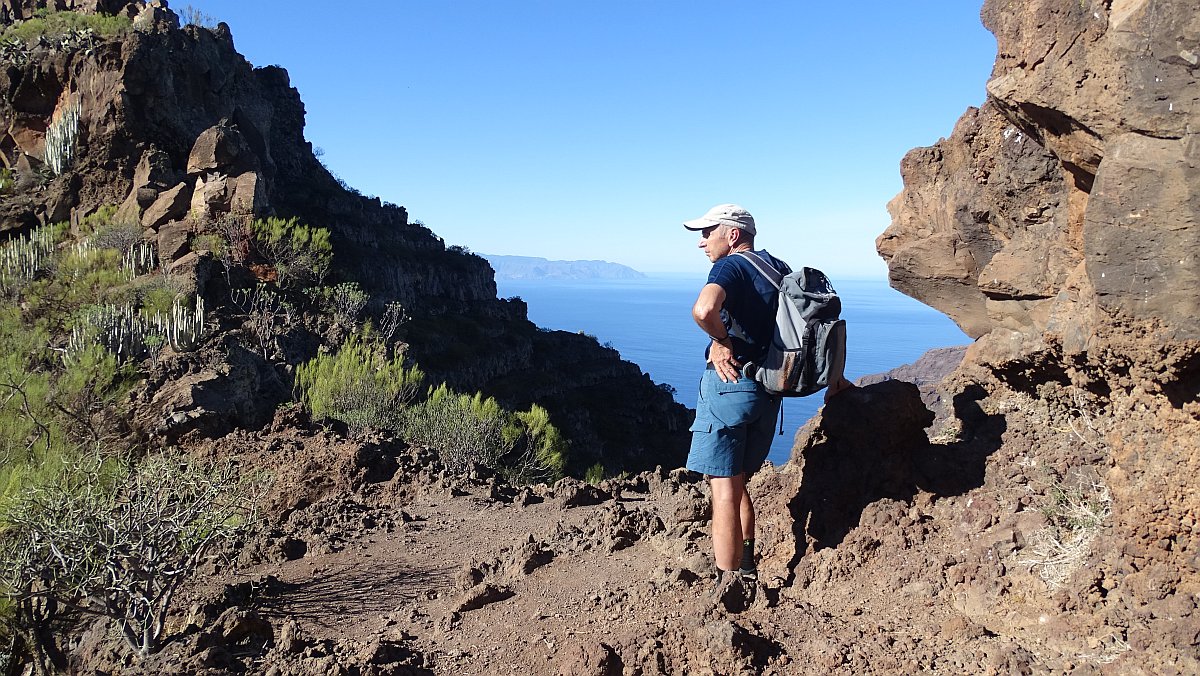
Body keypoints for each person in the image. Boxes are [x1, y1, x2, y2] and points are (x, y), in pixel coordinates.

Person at [681, 203, 787, 609]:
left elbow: (704, 309)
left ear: (733, 234)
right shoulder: (777, 267)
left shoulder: (730, 267)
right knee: (740, 482)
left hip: (729, 388)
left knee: (723, 490)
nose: (702, 241)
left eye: (708, 232)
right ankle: (747, 567)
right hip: (767, 394)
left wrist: (721, 341)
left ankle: (729, 591)